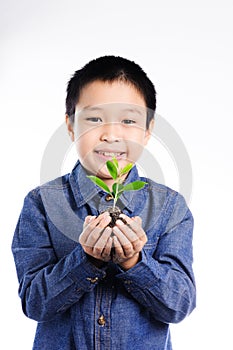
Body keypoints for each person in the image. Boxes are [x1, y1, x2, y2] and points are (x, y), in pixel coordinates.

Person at [12, 56, 196, 350]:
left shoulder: (170, 207)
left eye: (128, 120)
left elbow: (179, 305)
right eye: (94, 119)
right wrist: (86, 261)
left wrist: (135, 263)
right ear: (71, 126)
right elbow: (34, 303)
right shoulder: (42, 203)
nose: (111, 134)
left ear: (148, 131)